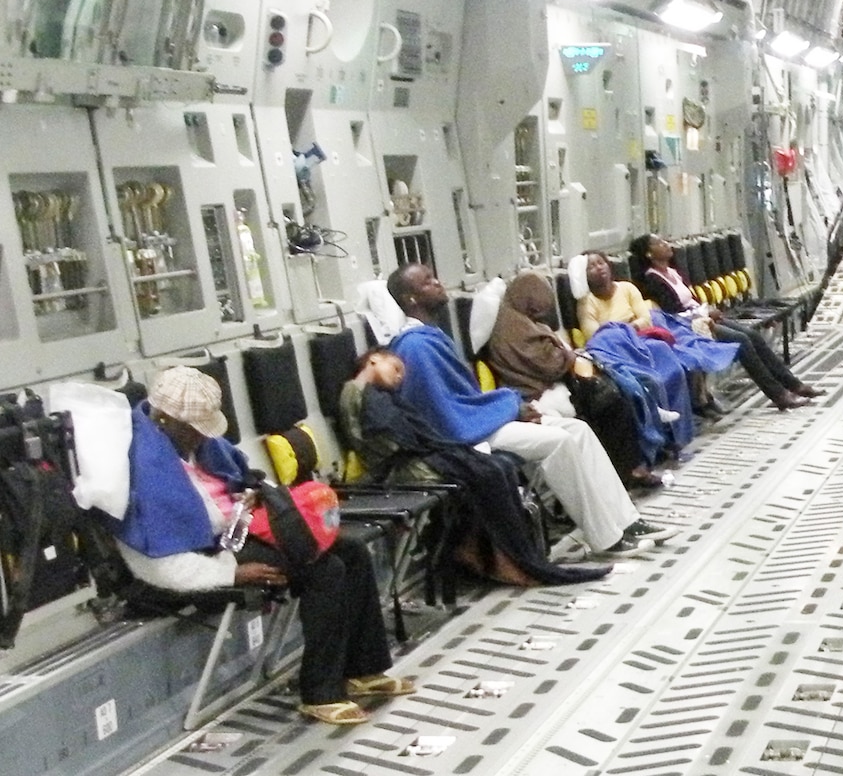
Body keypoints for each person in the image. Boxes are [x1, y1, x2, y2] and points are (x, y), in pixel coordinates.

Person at [117, 366, 413, 725]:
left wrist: (254, 497)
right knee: (325, 569)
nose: (201, 437)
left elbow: (238, 481)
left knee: (350, 550)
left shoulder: (199, 445)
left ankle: (362, 670)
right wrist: (232, 573)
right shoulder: (143, 469)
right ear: (164, 418)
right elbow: (155, 562)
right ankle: (321, 693)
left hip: (238, 531)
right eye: (194, 429)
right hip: (210, 556)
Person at [373, 264, 656, 553]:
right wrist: (510, 407)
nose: (438, 283)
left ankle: (627, 520)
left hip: (477, 422)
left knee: (578, 429)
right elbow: (445, 414)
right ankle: (606, 538)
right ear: (410, 299)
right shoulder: (415, 348)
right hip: (464, 437)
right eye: (427, 282)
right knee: (558, 442)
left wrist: (510, 406)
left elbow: (463, 400)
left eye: (435, 276)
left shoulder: (431, 336)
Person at [339, 349, 608, 588]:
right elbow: (376, 441)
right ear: (373, 359)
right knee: (488, 472)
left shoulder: (378, 397)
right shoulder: (355, 391)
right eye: (396, 369)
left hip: (416, 457)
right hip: (401, 467)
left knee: (495, 468)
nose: (399, 378)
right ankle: (509, 560)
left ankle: (505, 555)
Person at [488, 271, 670, 485]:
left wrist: (567, 353)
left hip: (554, 381)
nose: (540, 312)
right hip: (536, 391)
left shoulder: (525, 321)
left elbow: (556, 355)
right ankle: (625, 470)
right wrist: (568, 354)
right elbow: (550, 365)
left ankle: (629, 462)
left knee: (616, 389)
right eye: (536, 306)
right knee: (611, 403)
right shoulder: (512, 330)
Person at [630, 234, 823, 410]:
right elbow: (673, 313)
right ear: (649, 253)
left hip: (702, 317)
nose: (666, 244)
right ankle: (778, 395)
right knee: (741, 341)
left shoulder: (672, 273)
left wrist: (706, 312)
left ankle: (794, 385)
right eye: (659, 243)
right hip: (687, 327)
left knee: (753, 335)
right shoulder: (653, 280)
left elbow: (691, 300)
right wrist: (705, 313)